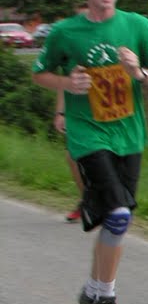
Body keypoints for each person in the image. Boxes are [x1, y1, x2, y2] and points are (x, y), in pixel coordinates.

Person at [32, 0, 148, 304]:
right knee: (119, 215)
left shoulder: (137, 26)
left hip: (128, 135)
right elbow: (41, 73)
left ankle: (92, 291)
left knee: (117, 220)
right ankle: (106, 300)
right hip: (88, 133)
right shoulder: (66, 32)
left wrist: (140, 73)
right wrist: (68, 85)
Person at [53, 90, 85, 220]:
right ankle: (86, 202)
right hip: (80, 113)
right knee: (72, 156)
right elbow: (63, 85)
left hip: (109, 113)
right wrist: (60, 113)